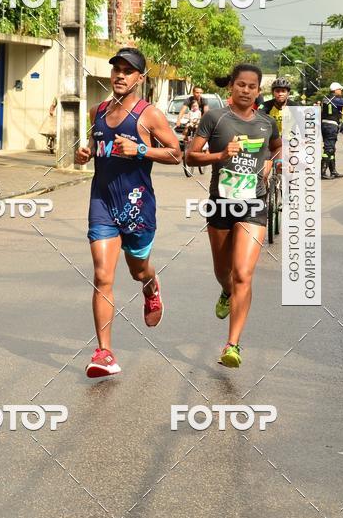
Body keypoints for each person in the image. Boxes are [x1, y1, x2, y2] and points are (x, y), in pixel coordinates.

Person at [76, 47, 180, 379]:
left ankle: (151, 286)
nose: (120, 75)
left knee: (138, 271)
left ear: (140, 77)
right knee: (103, 276)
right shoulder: (98, 111)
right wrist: (85, 152)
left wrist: (141, 149)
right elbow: (95, 147)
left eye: (128, 70)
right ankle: (104, 352)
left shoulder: (149, 115)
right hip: (102, 203)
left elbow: (176, 154)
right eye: (116, 69)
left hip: (137, 206)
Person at [186, 63, 281, 369]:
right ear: (232, 86)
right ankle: (226, 292)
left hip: (254, 203)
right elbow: (190, 155)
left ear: (258, 91)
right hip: (221, 204)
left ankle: (233, 344)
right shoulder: (215, 118)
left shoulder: (267, 123)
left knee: (243, 273)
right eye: (241, 84)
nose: (246, 90)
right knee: (223, 271)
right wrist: (220, 155)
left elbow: (278, 148)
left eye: (252, 86)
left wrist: (269, 164)